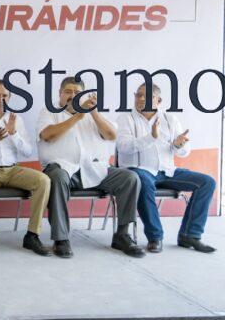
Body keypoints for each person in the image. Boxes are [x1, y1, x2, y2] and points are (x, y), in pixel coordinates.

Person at [38, 76, 144, 258]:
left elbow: (111, 135)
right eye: (68, 92)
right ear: (60, 94)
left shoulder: (92, 115)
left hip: (93, 169)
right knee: (57, 177)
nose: (72, 95)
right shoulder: (49, 111)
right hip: (62, 169)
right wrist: (77, 117)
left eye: (77, 92)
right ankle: (61, 239)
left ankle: (122, 234)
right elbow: (47, 135)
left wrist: (93, 113)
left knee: (130, 178)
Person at [116, 83, 216, 253]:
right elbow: (123, 147)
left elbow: (184, 151)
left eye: (145, 96)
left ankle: (190, 235)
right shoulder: (126, 119)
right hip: (139, 169)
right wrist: (150, 137)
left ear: (158, 100)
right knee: (143, 181)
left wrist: (178, 145)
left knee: (207, 182)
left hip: (167, 171)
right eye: (137, 95)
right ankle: (155, 237)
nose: (140, 99)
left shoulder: (170, 120)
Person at [0, 80, 51, 257]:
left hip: (12, 170)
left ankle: (32, 235)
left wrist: (13, 134)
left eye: (4, 95)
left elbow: (28, 152)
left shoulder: (16, 119)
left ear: (9, 97)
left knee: (43, 180)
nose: (0, 99)